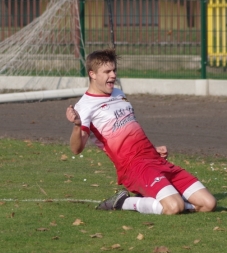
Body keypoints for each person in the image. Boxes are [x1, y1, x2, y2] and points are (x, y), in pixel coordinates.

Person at [66, 48, 217, 215]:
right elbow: (76, 149)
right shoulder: (85, 106)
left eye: (114, 70)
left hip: (154, 159)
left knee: (209, 204)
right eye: (107, 71)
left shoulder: (118, 93)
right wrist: (77, 125)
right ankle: (124, 202)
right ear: (92, 74)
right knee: (174, 207)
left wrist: (153, 150)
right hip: (133, 167)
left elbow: (131, 129)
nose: (113, 75)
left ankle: (159, 197)